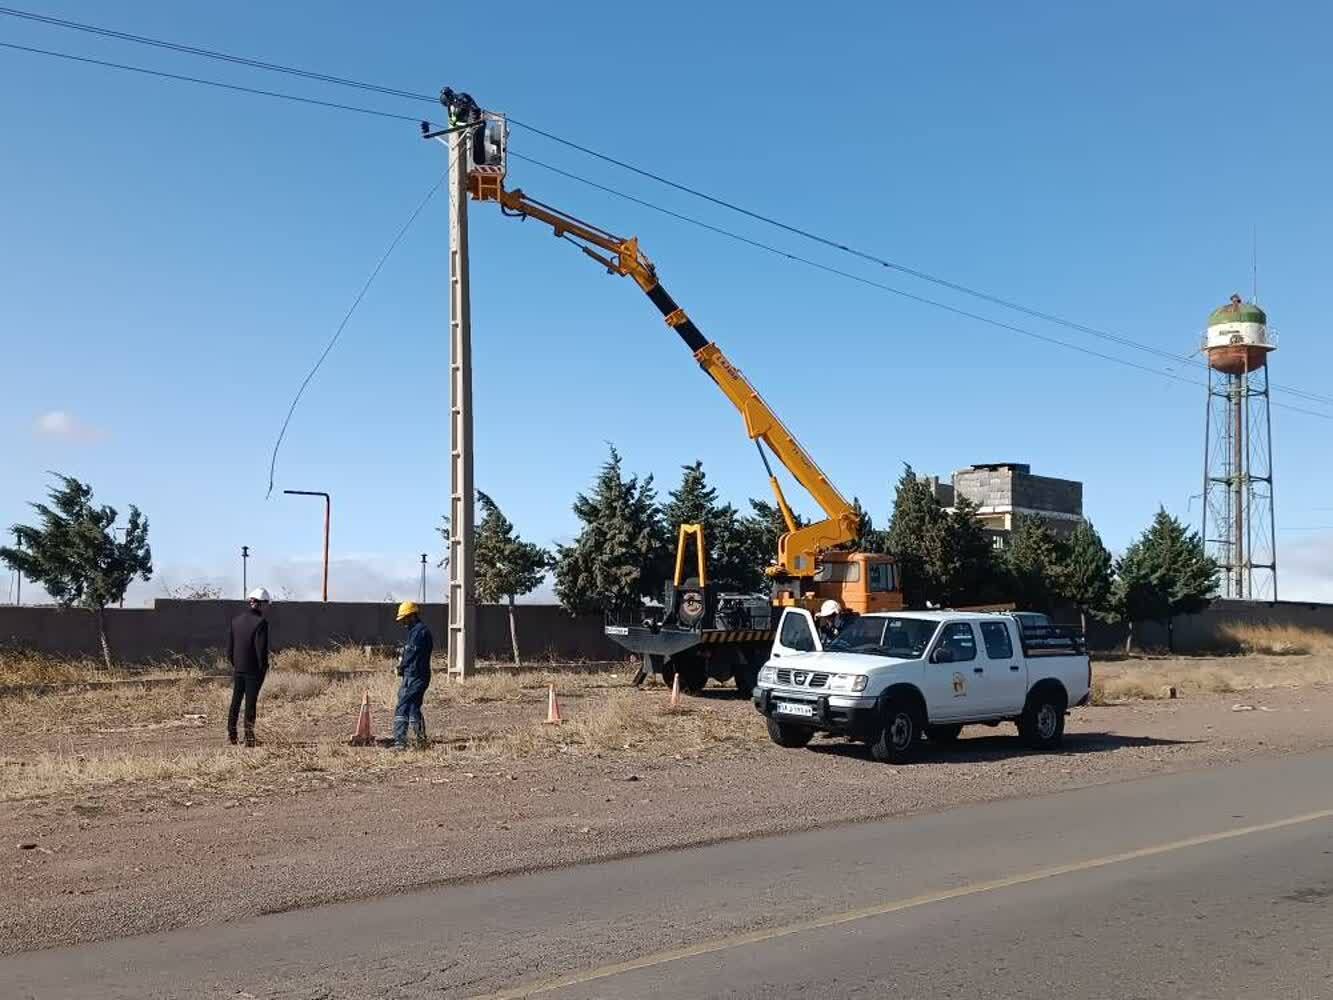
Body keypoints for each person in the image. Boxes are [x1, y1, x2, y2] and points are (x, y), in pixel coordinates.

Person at [227, 587, 271, 747]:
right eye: (266, 604)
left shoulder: (236, 621)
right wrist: (263, 668)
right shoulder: (261, 623)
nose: (267, 608)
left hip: (238, 668)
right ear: (261, 603)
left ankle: (232, 735)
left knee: (235, 702)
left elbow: (229, 651)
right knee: (250, 704)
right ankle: (249, 738)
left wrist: (237, 665)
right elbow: (261, 651)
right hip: (254, 671)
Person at [393, 601, 433, 750]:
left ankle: (399, 742)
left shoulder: (419, 632)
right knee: (413, 707)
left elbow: (410, 652)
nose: (402, 622)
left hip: (417, 677)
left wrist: (401, 666)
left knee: (402, 706)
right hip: (411, 675)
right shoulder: (413, 631)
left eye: (404, 618)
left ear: (412, 616)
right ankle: (421, 740)